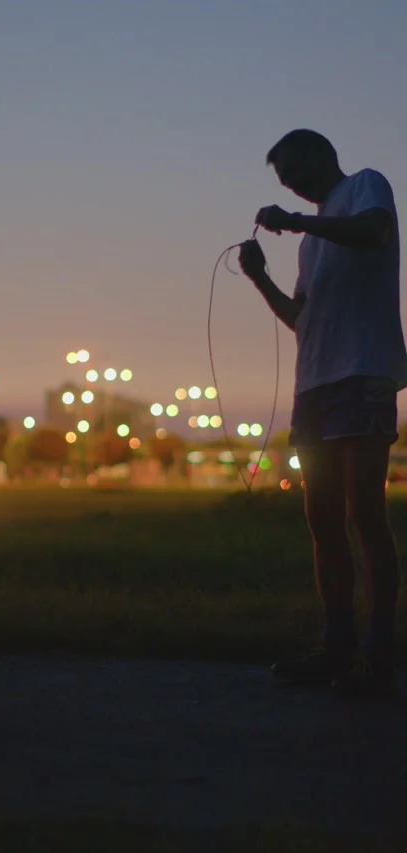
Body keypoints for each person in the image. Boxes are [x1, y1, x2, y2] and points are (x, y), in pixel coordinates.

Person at [238, 129, 406, 696]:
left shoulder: (365, 187)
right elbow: (299, 317)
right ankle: (337, 649)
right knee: (323, 518)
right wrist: (260, 276)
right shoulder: (309, 247)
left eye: (290, 169)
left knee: (365, 514)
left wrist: (301, 221)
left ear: (320, 154)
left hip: (364, 371)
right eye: (281, 178)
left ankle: (379, 653)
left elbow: (372, 232)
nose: (287, 183)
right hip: (315, 386)